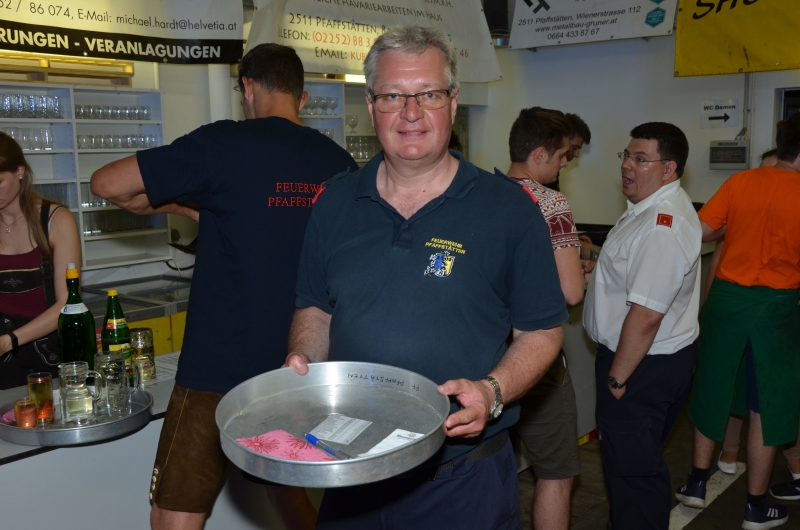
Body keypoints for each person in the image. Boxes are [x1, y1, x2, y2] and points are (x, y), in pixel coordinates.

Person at [285, 25, 567, 529]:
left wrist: (493, 391)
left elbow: (542, 330)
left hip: (460, 482)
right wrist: (304, 362)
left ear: (452, 103)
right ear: (371, 106)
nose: (411, 113)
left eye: (428, 94)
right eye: (393, 95)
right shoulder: (334, 203)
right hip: (351, 471)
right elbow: (316, 307)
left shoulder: (508, 209)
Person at [90, 44, 358, 530]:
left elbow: (106, 183)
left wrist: (186, 206)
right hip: (299, 370)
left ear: (247, 89)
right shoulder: (339, 163)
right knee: (287, 493)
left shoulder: (222, 145)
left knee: (173, 515)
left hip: (218, 369)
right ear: (301, 98)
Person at [676, 113, 800, 529]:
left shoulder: (741, 182)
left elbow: (701, 231)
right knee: (766, 404)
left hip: (725, 303)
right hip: (777, 309)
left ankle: (696, 483)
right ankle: (755, 507)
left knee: (711, 387)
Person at [583, 122, 701, 529]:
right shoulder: (648, 209)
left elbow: (647, 315)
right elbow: (637, 276)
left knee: (634, 477)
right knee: (629, 466)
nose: (627, 166)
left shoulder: (660, 225)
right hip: (648, 360)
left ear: (668, 169)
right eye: (626, 156)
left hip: (639, 365)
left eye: (640, 159)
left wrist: (617, 379)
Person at [505, 107, 583, 530]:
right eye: (561, 155)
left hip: (486, 353)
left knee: (491, 467)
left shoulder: (481, 193)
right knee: (555, 472)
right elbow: (571, 292)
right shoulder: (551, 203)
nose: (565, 163)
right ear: (539, 154)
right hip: (534, 354)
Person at [710, 148, 779, 475]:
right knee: (735, 384)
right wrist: (708, 313)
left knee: (773, 393)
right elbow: (716, 265)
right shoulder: (740, 219)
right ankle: (729, 451)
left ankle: (794, 462)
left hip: (776, 320)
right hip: (734, 315)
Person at [0, 132, 81, 389]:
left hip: (50, 355)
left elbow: (68, 304)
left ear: (20, 172)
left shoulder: (56, 220)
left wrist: (9, 341)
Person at [544, 112, 590, 193]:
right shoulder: (543, 172)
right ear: (564, 140)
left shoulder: (554, 171)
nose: (576, 155)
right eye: (575, 148)